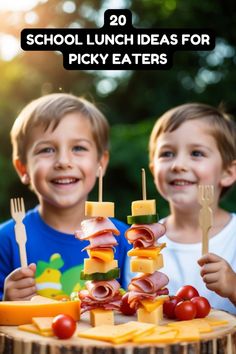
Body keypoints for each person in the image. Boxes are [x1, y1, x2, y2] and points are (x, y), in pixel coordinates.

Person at [0, 93, 129, 301]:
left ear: (101, 163)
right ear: (22, 168)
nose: (63, 161)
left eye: (78, 148)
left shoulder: (123, 239)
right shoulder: (6, 240)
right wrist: (7, 302)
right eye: (47, 149)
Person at [148, 102, 236, 314]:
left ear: (227, 173)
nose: (178, 164)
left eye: (196, 153)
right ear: (153, 169)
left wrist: (233, 287)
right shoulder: (145, 242)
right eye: (167, 154)